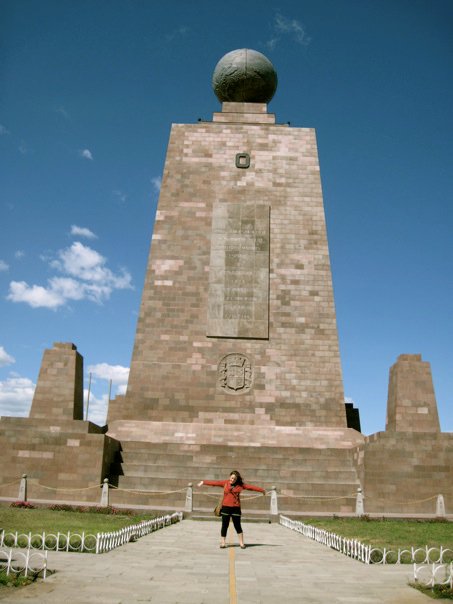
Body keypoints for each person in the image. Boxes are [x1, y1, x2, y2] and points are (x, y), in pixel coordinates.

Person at [197, 470, 265, 549]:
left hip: (236, 508)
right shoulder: (225, 483)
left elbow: (251, 488)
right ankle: (223, 542)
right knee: (224, 525)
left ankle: (241, 543)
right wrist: (203, 482)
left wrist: (261, 490)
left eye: (234, 479)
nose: (232, 480)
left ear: (237, 479)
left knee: (237, 526)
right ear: (230, 477)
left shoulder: (240, 485)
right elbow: (215, 483)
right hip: (225, 508)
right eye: (231, 478)